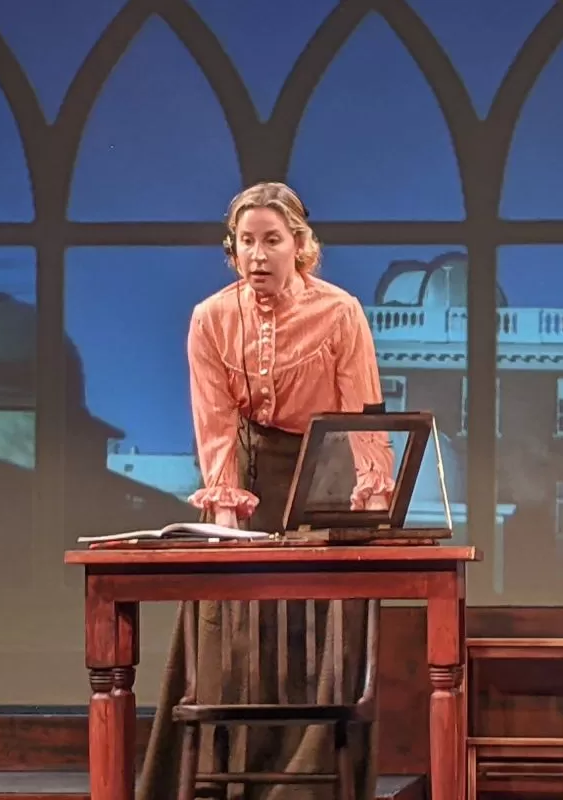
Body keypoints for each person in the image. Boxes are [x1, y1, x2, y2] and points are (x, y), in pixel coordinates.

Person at [137, 182, 395, 799]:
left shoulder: (339, 312)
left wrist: (374, 497)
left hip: (323, 475)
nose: (258, 254)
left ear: (299, 246)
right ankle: (221, 784)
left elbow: (362, 414)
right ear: (232, 249)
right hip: (250, 478)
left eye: (272, 240)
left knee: (320, 634)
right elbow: (215, 424)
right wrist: (225, 513)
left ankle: (303, 787)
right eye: (246, 241)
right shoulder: (211, 318)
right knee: (230, 628)